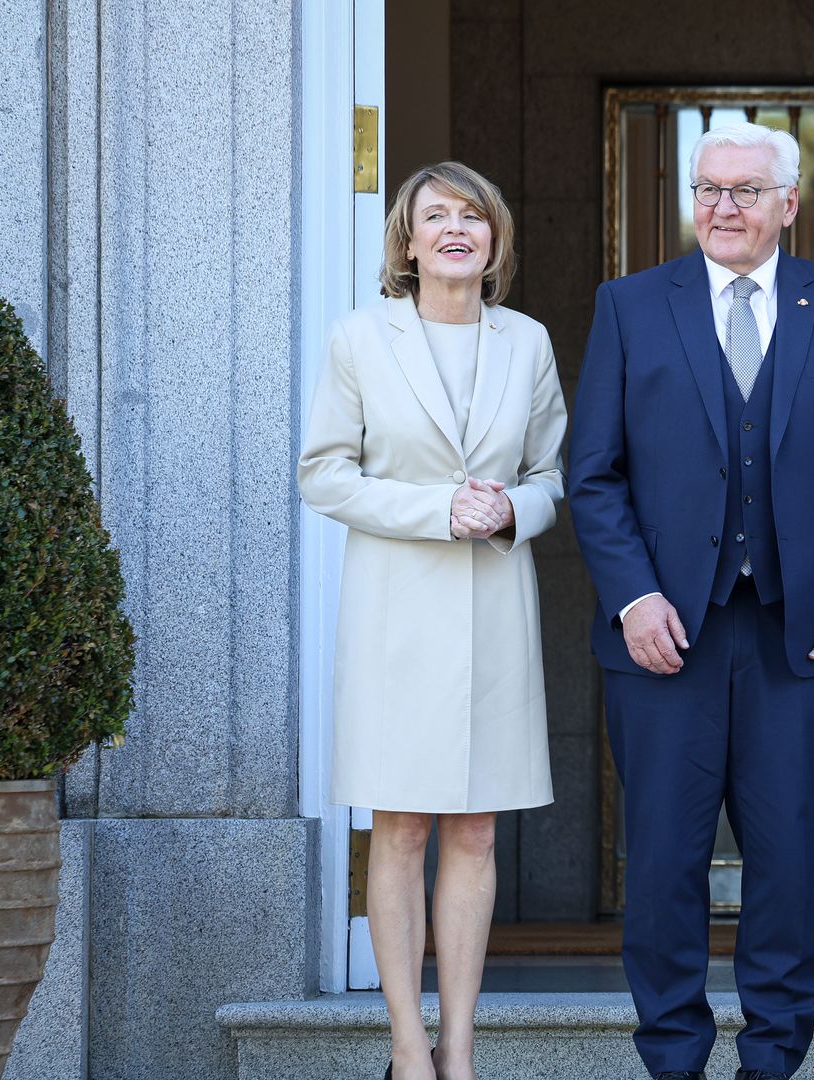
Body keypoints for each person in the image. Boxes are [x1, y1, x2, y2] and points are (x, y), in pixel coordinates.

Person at [567, 121, 814, 1080]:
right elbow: (594, 476)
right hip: (665, 637)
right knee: (664, 863)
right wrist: (632, 599)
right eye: (708, 189)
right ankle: (673, 1057)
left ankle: (773, 1060)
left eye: (747, 191)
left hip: (799, 638)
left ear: (789, 203)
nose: (723, 207)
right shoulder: (630, 306)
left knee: (788, 864)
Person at [298, 161, 567, 1080]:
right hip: (396, 613)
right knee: (402, 826)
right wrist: (435, 509)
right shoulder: (360, 339)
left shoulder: (526, 342)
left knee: (477, 830)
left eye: (473, 217)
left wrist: (511, 514)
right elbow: (323, 472)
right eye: (436, 217)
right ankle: (407, 1050)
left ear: (494, 240)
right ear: (407, 244)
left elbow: (550, 477)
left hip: (492, 610)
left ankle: (460, 1051)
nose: (457, 230)